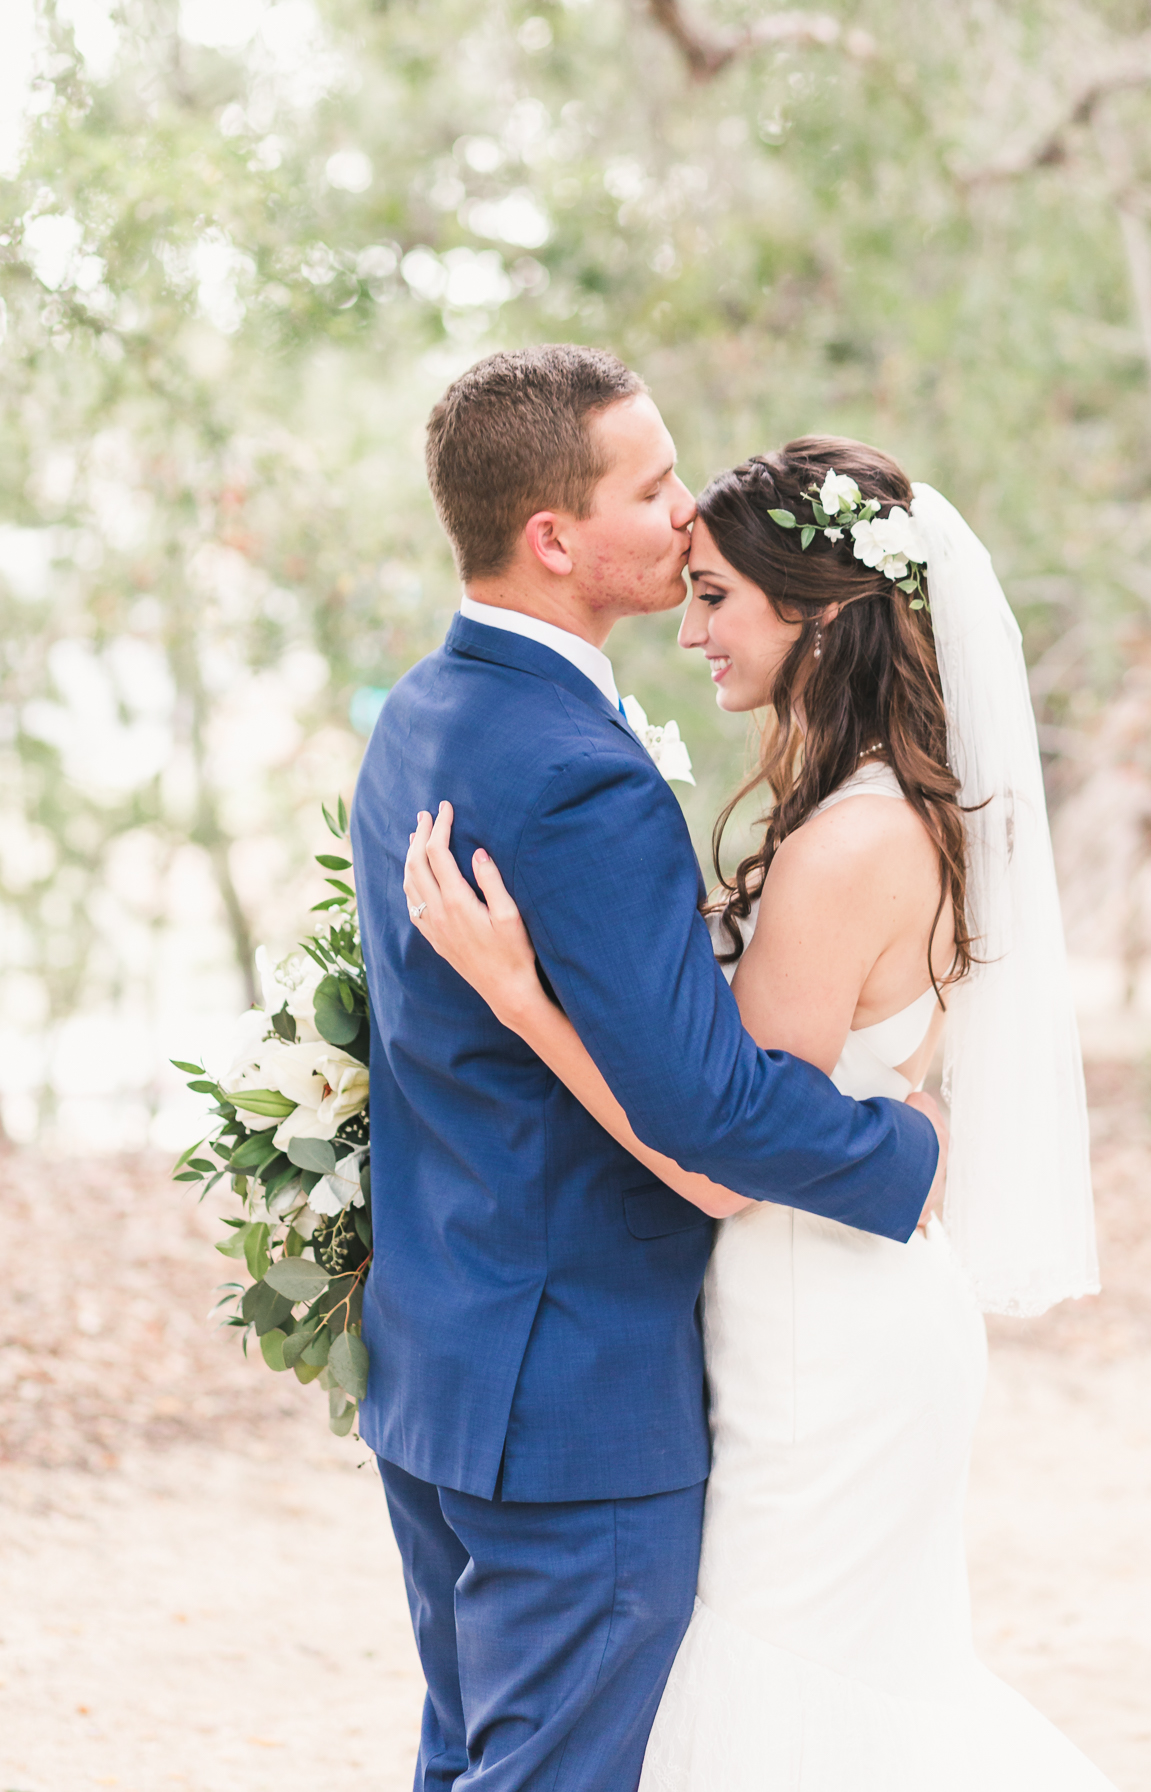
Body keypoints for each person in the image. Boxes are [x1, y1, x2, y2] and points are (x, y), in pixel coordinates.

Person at [406, 434, 1116, 1788]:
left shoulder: (847, 841)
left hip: (817, 1341)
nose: (690, 630)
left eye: (718, 595)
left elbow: (719, 1164)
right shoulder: (894, 808)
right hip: (844, 1305)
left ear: (825, 614)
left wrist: (520, 1000)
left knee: (783, 1701)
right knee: (832, 1694)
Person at [350, 350, 945, 1792]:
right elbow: (705, 1111)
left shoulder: (422, 714)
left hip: (443, 1355)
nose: (688, 516)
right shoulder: (575, 765)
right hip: (571, 1398)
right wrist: (907, 1152)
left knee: (473, 1755)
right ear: (554, 538)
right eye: (654, 485)